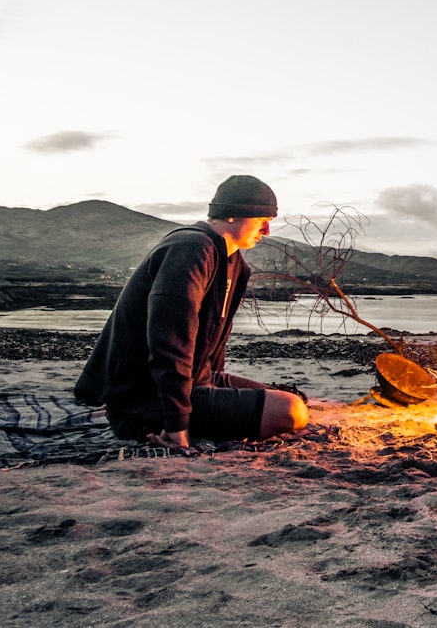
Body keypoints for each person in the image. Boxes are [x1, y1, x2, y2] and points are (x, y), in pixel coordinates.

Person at [75, 175, 309, 454]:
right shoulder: (191, 248)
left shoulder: (235, 264)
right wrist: (177, 425)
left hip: (197, 382)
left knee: (291, 399)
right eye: (261, 220)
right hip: (143, 401)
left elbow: (213, 345)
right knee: (290, 411)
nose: (268, 230)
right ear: (233, 214)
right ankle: (170, 422)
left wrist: (215, 389)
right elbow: (169, 341)